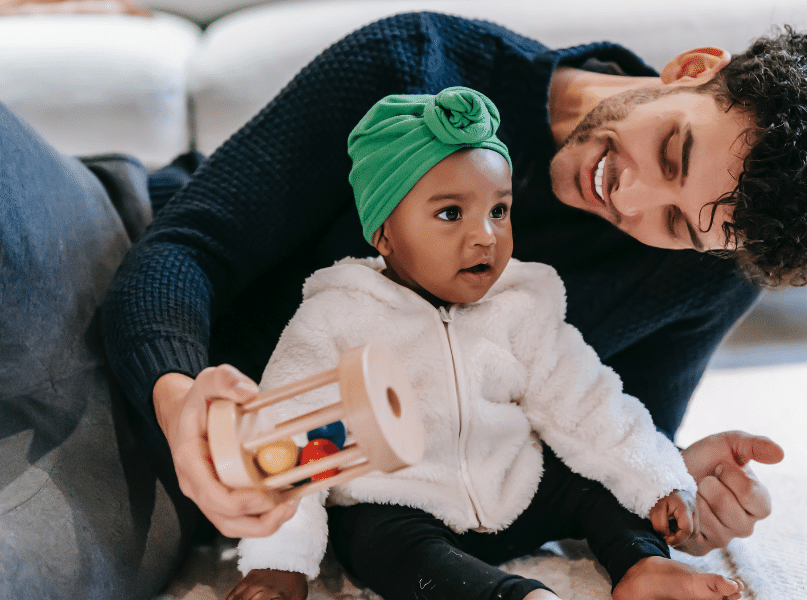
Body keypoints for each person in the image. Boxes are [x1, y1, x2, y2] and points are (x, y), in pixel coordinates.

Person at [0, 10, 807, 600]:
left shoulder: (703, 274)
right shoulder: (419, 65)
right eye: (672, 151)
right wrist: (178, 396)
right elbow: (190, 249)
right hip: (122, 256)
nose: (633, 198)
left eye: (679, 224)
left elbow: (562, 454)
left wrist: (669, 485)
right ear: (691, 72)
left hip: (196, 476)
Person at [227, 86, 744, 600]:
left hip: (513, 489)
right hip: (403, 505)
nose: (486, 236)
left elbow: (584, 399)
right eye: (451, 214)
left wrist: (658, 477)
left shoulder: (522, 303)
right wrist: (278, 564)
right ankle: (507, 594)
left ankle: (643, 566)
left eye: (498, 211)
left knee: (596, 475)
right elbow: (288, 439)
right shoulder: (337, 313)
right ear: (384, 233)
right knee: (379, 545)